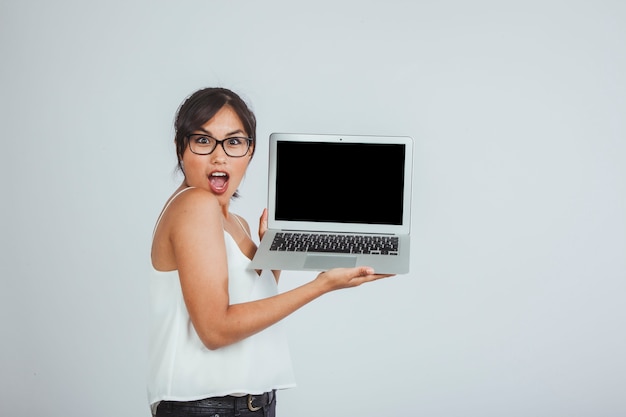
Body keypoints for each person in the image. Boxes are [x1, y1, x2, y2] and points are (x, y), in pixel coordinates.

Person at [148, 87, 393, 416]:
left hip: (248, 404)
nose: (219, 157)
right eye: (203, 140)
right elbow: (215, 329)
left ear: (249, 152)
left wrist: (272, 254)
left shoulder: (234, 221)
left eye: (234, 142)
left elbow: (247, 311)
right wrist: (322, 285)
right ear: (181, 148)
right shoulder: (195, 205)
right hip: (210, 408)